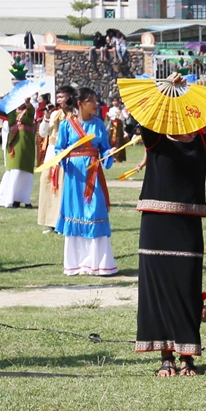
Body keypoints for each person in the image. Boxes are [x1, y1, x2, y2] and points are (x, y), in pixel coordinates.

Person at [131, 81, 206, 376]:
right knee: (157, 291)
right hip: (155, 226)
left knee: (187, 290)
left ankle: (187, 357)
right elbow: (146, 113)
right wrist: (168, 88)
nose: (188, 126)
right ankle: (165, 357)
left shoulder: (204, 143)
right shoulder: (156, 139)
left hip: (188, 228)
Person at [54, 88, 118, 277]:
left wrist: (108, 154)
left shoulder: (99, 124)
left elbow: (104, 148)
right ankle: (76, 264)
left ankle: (99, 264)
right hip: (74, 175)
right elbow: (59, 149)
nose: (96, 104)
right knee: (76, 211)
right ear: (80, 103)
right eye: (92, 101)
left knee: (95, 211)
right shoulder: (66, 125)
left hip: (93, 172)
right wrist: (63, 158)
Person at [36, 86, 75, 230]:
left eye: (62, 97)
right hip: (52, 154)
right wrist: (46, 117)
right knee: (49, 187)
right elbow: (43, 132)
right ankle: (50, 222)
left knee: (64, 188)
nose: (59, 100)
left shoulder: (75, 114)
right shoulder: (54, 114)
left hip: (68, 154)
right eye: (57, 97)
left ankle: (65, 221)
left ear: (70, 97)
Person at [0, 98, 37, 207]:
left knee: (26, 169)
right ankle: (10, 199)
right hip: (13, 143)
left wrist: (27, 103)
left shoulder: (29, 111)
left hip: (26, 143)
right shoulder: (10, 112)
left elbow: (31, 110)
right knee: (13, 169)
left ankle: (25, 199)